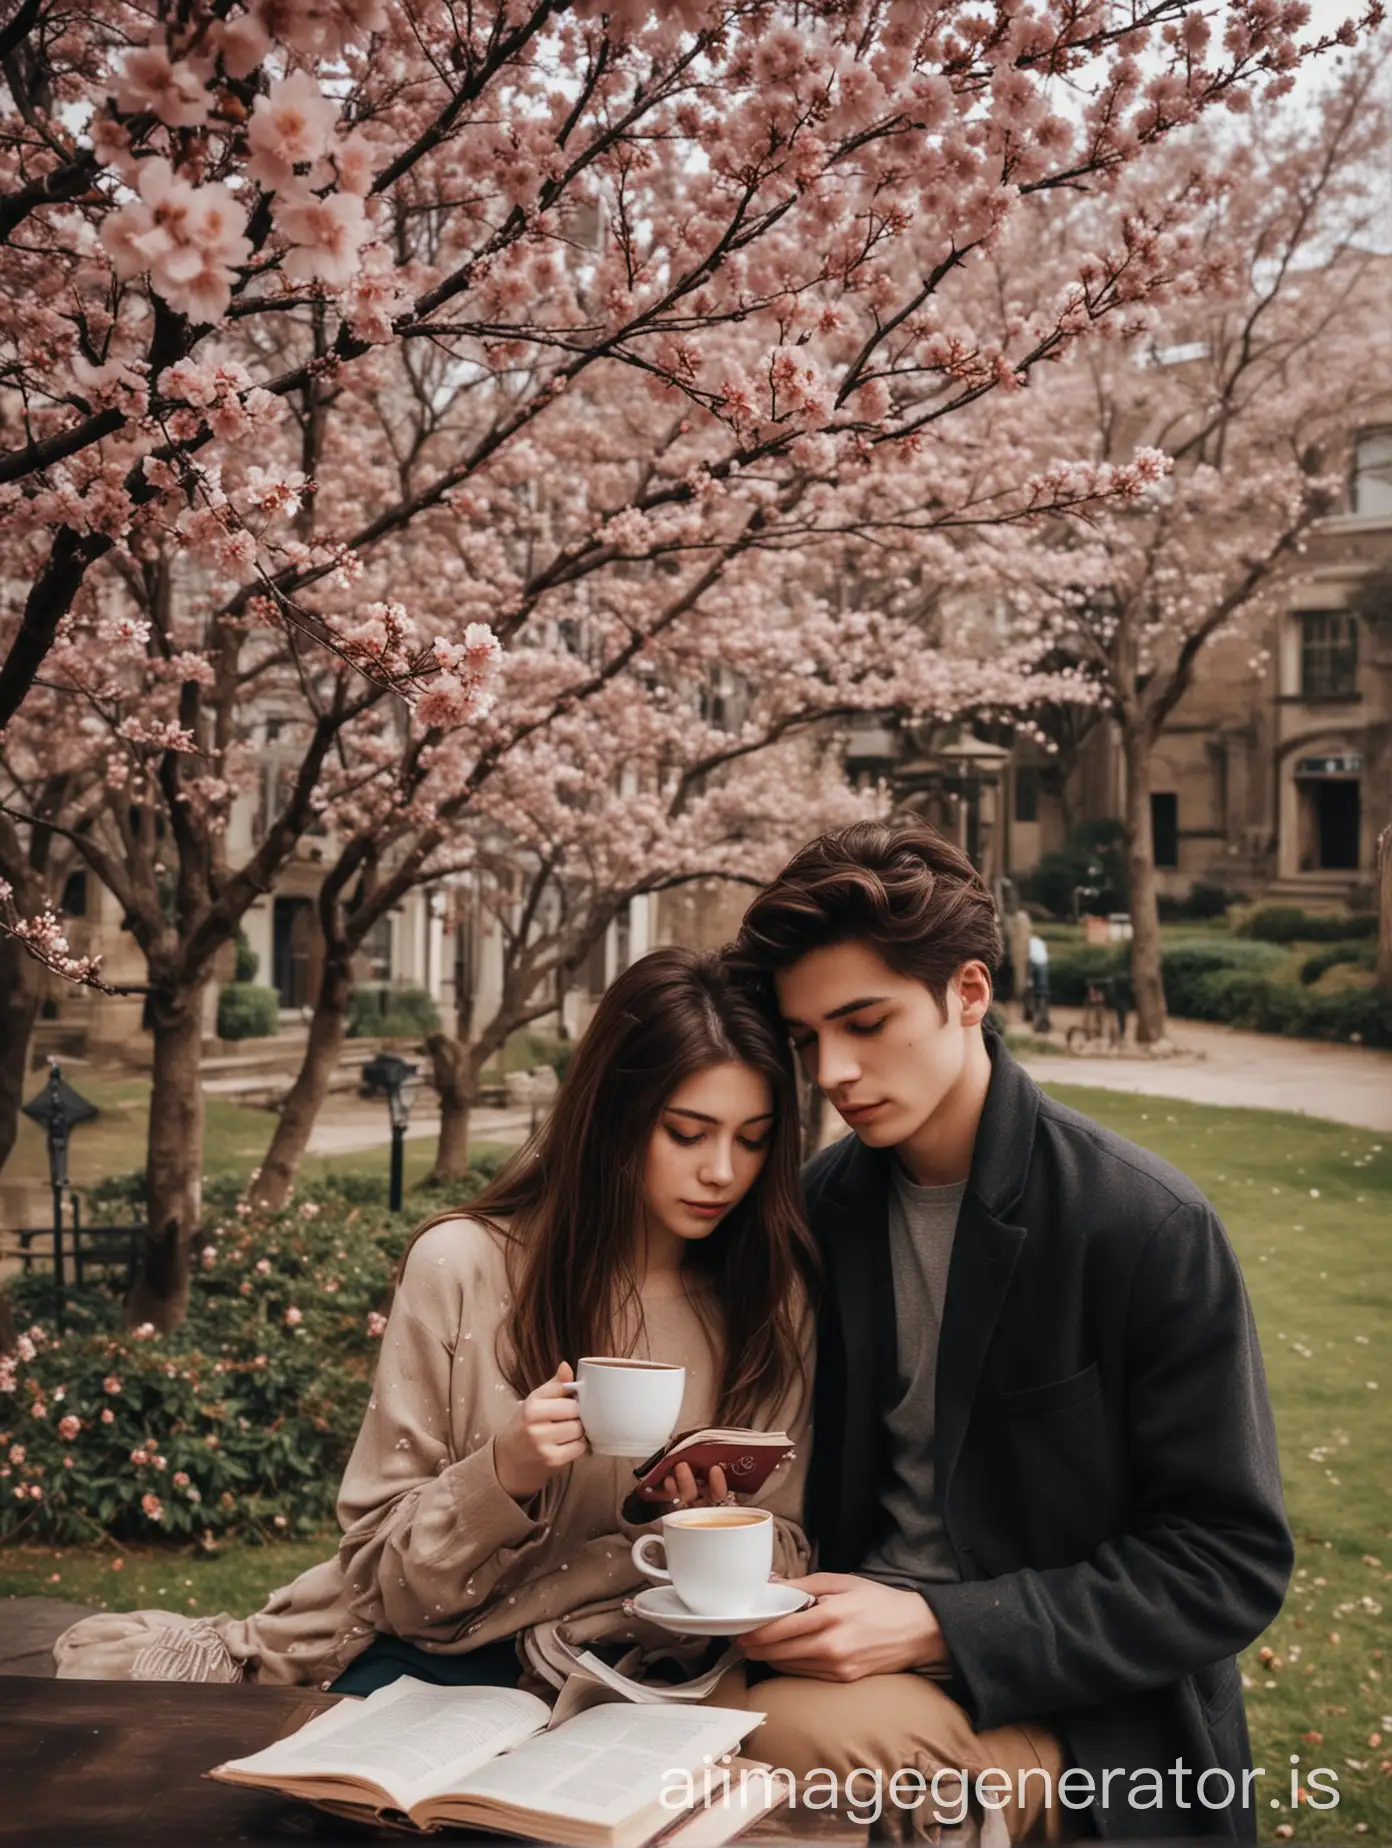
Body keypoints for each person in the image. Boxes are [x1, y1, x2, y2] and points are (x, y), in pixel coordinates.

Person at [725, 820, 1291, 1844]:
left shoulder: (1141, 1225)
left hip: (1083, 1716)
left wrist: (941, 1626)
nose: (835, 1072)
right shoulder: (823, 1206)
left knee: (757, 1751)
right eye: (807, 1040)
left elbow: (1228, 1561)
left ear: (970, 995)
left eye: (865, 1021)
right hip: (834, 1636)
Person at [54, 947, 815, 1690]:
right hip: (440, 1652)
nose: (722, 1171)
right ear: (614, 1117)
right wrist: (504, 1474)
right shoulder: (464, 1266)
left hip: (646, 1668)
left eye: (752, 1140)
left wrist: (716, 1530)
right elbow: (383, 1572)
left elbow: (789, 1545)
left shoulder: (769, 1302)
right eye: (687, 1133)